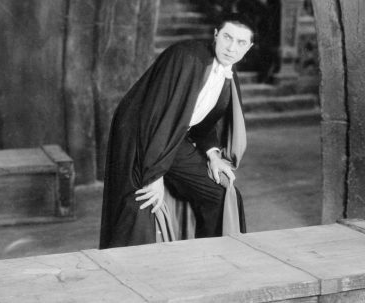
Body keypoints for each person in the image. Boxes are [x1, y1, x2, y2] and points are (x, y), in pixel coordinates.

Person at [99, 20, 254, 248]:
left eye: (240, 42)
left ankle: (212, 257)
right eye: (227, 37)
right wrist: (154, 174)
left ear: (248, 48)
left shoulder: (228, 77)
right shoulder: (185, 56)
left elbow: (204, 124)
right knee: (144, 206)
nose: (232, 48)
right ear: (216, 35)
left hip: (172, 140)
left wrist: (213, 155)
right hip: (139, 139)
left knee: (220, 194)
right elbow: (155, 117)